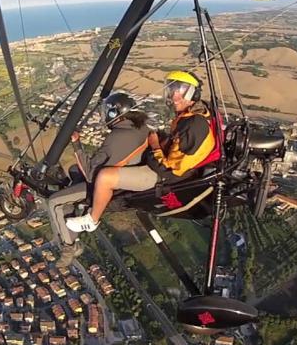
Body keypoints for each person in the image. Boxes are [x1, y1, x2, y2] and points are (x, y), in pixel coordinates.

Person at [65, 70, 215, 233]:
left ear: (193, 93)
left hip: (165, 178)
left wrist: (156, 146)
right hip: (167, 167)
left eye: (179, 91)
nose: (173, 97)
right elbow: (177, 148)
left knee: (104, 177)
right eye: (172, 90)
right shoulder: (192, 117)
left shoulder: (194, 125)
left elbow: (170, 171)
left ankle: (92, 220)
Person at [48, 92, 149, 267]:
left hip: (109, 186)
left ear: (113, 114)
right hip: (127, 179)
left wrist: (77, 143)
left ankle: (69, 248)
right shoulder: (142, 128)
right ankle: (74, 209)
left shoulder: (116, 137)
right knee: (73, 170)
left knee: (54, 202)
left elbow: (89, 173)